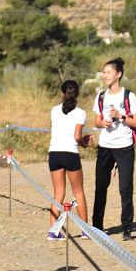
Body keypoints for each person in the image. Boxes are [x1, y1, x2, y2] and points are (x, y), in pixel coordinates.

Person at [91, 57, 136, 241]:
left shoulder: (129, 96)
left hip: (124, 146)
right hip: (105, 146)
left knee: (125, 187)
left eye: (108, 72)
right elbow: (96, 121)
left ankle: (127, 228)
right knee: (100, 186)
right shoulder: (101, 96)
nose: (104, 76)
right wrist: (101, 123)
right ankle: (96, 227)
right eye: (103, 73)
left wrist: (121, 116)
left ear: (118, 74)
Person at [47, 79, 92, 241]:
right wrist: (85, 143)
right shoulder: (80, 113)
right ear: (77, 94)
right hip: (70, 154)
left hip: (54, 153)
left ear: (62, 93)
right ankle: (85, 230)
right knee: (78, 191)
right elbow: (76, 137)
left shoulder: (54, 110)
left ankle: (53, 231)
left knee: (58, 193)